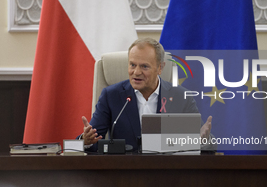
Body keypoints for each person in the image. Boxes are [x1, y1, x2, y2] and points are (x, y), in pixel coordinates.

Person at [79, 38, 214, 152]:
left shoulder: (180, 96)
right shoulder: (111, 96)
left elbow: (206, 143)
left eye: (144, 67)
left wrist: (203, 140)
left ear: (160, 68)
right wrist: (86, 141)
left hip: (168, 175)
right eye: (132, 65)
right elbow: (92, 142)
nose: (136, 72)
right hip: (123, 175)